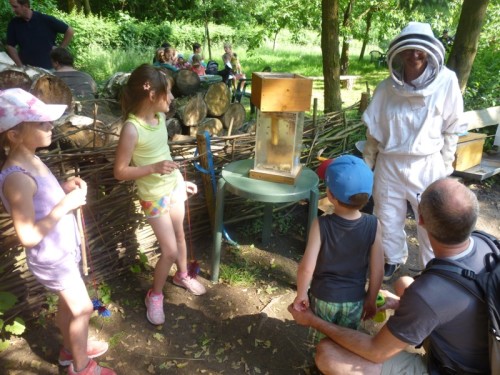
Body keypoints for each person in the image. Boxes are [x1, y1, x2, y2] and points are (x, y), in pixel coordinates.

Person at [288, 178, 491, 375]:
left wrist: (313, 320)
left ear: (420, 220)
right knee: (405, 284)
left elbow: (376, 352)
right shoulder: (488, 245)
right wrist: (399, 303)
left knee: (327, 354)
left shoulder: (427, 296)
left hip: (450, 368)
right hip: (481, 350)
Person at [0, 88, 115, 375]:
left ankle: (70, 348)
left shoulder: (31, 158)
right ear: (14, 134)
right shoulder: (16, 178)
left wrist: (62, 190)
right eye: (41, 123)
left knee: (69, 306)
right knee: (83, 308)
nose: (51, 126)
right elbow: (27, 236)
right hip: (51, 257)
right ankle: (81, 366)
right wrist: (64, 206)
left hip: (62, 250)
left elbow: (40, 200)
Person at [362, 21, 466, 280]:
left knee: (432, 219)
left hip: (427, 163)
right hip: (389, 163)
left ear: (430, 52)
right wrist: (367, 165)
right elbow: (374, 132)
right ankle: (393, 258)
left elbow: (452, 128)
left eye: (420, 50)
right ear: (399, 53)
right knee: (386, 214)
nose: (414, 54)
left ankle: (434, 268)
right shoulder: (387, 88)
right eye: (408, 49)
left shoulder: (447, 82)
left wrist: (444, 166)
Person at [113, 64, 206, 326]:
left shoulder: (161, 119)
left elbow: (162, 153)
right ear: (152, 95)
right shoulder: (131, 128)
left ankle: (183, 275)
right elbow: (120, 171)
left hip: (173, 187)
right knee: (168, 250)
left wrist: (179, 181)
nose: (173, 98)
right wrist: (153, 169)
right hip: (153, 196)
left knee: (180, 236)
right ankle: (154, 295)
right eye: (169, 92)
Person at [292, 155, 384, 346]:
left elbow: (307, 268)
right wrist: (371, 299)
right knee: (346, 341)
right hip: (355, 299)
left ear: (330, 195)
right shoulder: (374, 225)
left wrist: (301, 294)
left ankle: (320, 364)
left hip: (323, 296)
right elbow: (378, 270)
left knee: (322, 340)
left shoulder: (321, 224)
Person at [6, 0, 74, 70]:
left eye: (15, 7)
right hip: (27, 69)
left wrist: (60, 49)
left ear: (25, 6)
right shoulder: (13, 24)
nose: (13, 10)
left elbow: (69, 31)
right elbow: (10, 46)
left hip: (49, 68)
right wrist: (20, 66)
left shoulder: (45, 19)